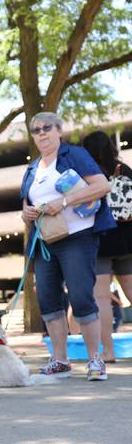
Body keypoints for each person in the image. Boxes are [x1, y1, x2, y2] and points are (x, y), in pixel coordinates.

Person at [20, 112, 113, 380]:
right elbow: (26, 202)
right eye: (36, 130)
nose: (41, 133)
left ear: (59, 130)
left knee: (82, 295)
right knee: (47, 298)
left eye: (47, 128)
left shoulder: (74, 155)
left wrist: (62, 202)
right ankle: (60, 360)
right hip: (45, 241)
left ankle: (95, 360)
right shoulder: (32, 167)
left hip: (77, 236)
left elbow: (102, 185)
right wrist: (25, 213)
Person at [82, 130, 132, 363]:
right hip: (127, 241)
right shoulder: (125, 170)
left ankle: (108, 352)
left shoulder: (87, 175)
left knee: (101, 298)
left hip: (100, 240)